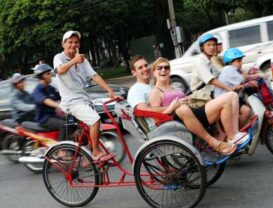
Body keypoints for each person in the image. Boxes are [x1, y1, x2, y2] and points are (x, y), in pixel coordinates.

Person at [128, 55, 243, 155]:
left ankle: (232, 135)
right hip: (174, 121)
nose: (145, 69)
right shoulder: (138, 90)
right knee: (185, 108)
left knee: (231, 95)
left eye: (145, 65)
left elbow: (182, 101)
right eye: (140, 67)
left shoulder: (160, 87)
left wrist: (193, 100)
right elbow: (143, 110)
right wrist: (172, 107)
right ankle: (220, 140)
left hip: (190, 112)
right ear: (134, 72)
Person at [53, 30, 118, 162]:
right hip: (71, 102)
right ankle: (95, 152)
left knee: (98, 129)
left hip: (84, 99)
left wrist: (109, 90)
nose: (73, 45)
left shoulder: (83, 60)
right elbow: (60, 70)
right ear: (63, 44)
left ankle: (87, 158)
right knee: (94, 120)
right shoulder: (59, 57)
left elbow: (94, 75)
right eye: (70, 42)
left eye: (76, 42)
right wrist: (74, 61)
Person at [190, 33, 250, 128]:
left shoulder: (212, 61)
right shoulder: (200, 61)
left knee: (244, 107)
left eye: (214, 45)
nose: (212, 47)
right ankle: (233, 133)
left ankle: (236, 132)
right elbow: (212, 80)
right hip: (202, 97)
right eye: (208, 45)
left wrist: (240, 74)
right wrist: (230, 88)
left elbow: (223, 74)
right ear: (202, 48)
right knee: (233, 101)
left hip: (212, 94)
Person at [32, 64, 66, 141]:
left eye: (49, 73)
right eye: (47, 74)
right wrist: (58, 105)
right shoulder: (38, 90)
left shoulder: (50, 88)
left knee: (71, 120)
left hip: (52, 116)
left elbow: (62, 95)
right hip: (44, 119)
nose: (50, 75)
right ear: (41, 76)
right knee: (64, 125)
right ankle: (62, 149)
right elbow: (46, 101)